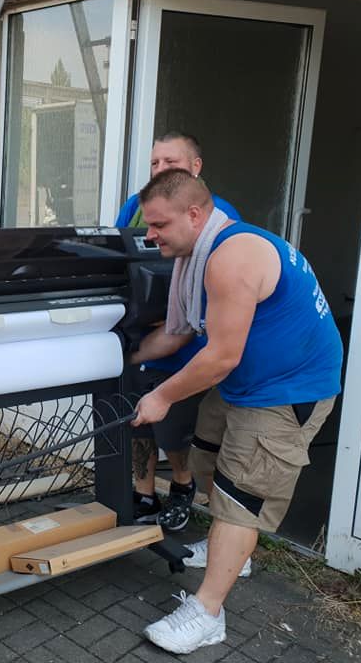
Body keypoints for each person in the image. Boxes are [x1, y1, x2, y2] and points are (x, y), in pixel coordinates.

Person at [132, 168, 341, 654]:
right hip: (246, 383)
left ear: (194, 214)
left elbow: (221, 355)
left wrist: (162, 397)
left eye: (159, 225)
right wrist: (122, 359)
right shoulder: (205, 251)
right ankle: (235, 553)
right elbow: (183, 333)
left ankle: (208, 614)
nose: (150, 234)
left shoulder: (230, 258)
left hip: (288, 392)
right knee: (206, 456)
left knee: (240, 498)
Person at [117, 132, 240, 532]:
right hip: (142, 336)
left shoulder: (219, 220)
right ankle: (144, 492)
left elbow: (212, 306)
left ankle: (182, 489)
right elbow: (118, 257)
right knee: (138, 420)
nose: (160, 170)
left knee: (174, 428)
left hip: (186, 349)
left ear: (195, 167)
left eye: (170, 162)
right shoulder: (133, 209)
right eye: (155, 163)